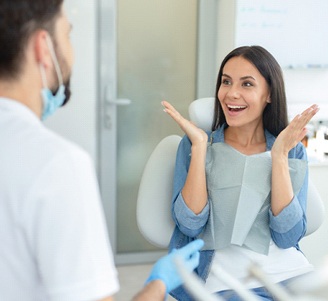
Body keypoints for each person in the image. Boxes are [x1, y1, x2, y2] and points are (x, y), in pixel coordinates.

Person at [0, 1, 204, 300]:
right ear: (43, 47)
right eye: (67, 34)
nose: (70, 50)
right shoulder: (57, 165)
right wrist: (159, 284)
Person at [162, 45, 320, 301]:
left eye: (247, 84)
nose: (231, 93)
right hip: (225, 282)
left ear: (269, 93)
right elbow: (190, 225)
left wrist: (279, 156)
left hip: (289, 276)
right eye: (226, 82)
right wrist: (201, 148)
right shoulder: (195, 145)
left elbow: (287, 236)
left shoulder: (291, 152)